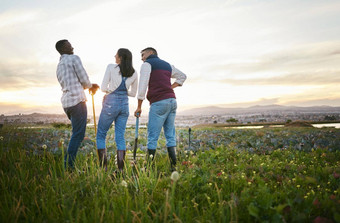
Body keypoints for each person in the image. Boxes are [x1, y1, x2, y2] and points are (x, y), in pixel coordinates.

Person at [134, 47, 187, 171]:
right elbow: (182, 76)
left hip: (159, 103)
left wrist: (139, 106)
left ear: (151, 53)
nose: (142, 58)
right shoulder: (167, 65)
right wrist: (170, 87)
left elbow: (142, 86)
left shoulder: (147, 65)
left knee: (152, 136)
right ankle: (173, 167)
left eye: (143, 55)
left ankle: (149, 168)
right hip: (172, 101)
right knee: (170, 135)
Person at [55, 39, 99, 169]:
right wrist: (91, 86)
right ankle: (69, 166)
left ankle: (69, 164)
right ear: (62, 48)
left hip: (67, 103)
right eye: (69, 45)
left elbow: (72, 82)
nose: (72, 47)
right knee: (78, 135)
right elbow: (84, 80)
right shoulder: (74, 58)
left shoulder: (59, 65)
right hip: (77, 101)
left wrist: (88, 86)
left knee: (76, 133)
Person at [96, 48, 138, 172]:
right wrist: (123, 91)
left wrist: (111, 91)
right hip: (124, 105)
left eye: (116, 54)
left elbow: (103, 87)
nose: (114, 56)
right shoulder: (134, 73)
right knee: (120, 137)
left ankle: (104, 168)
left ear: (120, 57)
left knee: (101, 135)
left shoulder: (111, 67)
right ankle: (120, 170)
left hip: (110, 104)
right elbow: (133, 93)